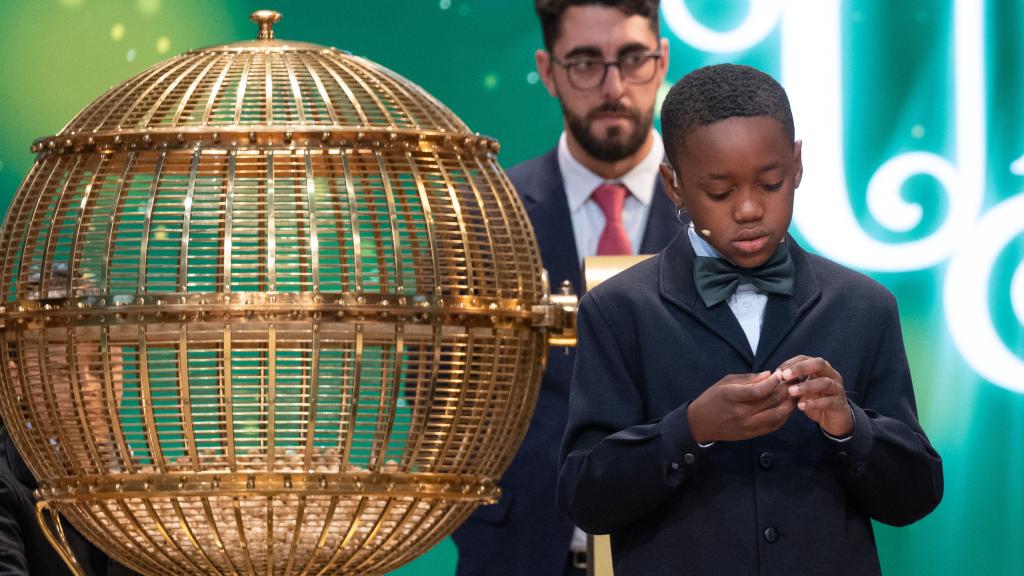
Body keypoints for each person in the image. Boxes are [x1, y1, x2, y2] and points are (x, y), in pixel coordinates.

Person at [557, 63, 944, 575]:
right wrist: (691, 428)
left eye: (770, 183)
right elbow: (585, 496)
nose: (747, 209)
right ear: (673, 185)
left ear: (798, 164)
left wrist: (850, 427)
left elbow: (914, 497)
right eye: (719, 192)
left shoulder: (864, 306)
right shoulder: (618, 311)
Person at [451, 1, 680, 575]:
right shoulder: (483, 219)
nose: (612, 86)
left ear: (662, 60)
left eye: (632, 59)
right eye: (584, 62)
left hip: (688, 544)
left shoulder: (725, 216)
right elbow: (436, 398)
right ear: (547, 70)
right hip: (520, 552)